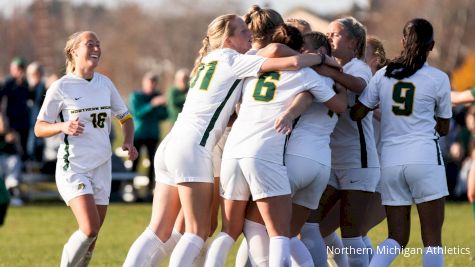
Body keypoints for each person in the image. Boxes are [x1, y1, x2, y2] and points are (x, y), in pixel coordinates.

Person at [123, 13, 332, 267]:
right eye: (243, 31)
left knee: (158, 230)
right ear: (227, 39)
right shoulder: (235, 60)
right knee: (197, 233)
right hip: (193, 148)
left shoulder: (209, 59)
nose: (249, 35)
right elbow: (286, 58)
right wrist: (322, 58)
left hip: (170, 144)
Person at [208, 24, 345, 267]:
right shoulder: (306, 74)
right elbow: (339, 105)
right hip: (267, 153)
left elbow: (270, 52)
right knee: (282, 234)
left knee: (230, 231)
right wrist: (330, 67)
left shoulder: (253, 68)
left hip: (233, 151)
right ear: (300, 51)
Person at [351, 18, 451, 267]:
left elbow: (357, 113)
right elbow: (445, 127)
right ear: (432, 46)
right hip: (425, 158)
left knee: (396, 237)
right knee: (432, 240)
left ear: (402, 42)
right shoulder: (438, 78)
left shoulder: (383, 75)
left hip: (391, 161)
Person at [34, 31, 138, 267]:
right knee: (89, 228)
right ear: (74, 51)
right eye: (90, 44)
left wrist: (128, 141)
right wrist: (63, 126)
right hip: (75, 167)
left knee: (92, 239)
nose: (96, 49)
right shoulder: (61, 87)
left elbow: (126, 117)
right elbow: (39, 128)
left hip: (102, 166)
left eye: (98, 44)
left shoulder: (105, 83)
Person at [308, 16, 379, 267]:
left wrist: (323, 68)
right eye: (327, 34)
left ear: (353, 42)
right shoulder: (329, 65)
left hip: (358, 160)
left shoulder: (357, 67)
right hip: (330, 160)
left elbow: (359, 86)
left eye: (335, 34)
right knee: (310, 225)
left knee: (351, 233)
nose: (329, 38)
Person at [129, 72, 168, 194]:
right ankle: (132, 187)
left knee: (153, 162)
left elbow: (164, 115)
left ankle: (150, 188)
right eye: (150, 82)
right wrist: (152, 105)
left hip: (153, 134)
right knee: (135, 161)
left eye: (154, 82)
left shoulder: (158, 96)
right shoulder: (136, 96)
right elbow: (137, 113)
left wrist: (163, 106)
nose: (152, 85)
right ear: (144, 82)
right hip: (138, 134)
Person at [0, 57, 30, 160]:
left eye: (21, 68)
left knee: (23, 146)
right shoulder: (7, 83)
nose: (19, 71)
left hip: (23, 121)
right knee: (11, 146)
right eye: (17, 68)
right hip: (10, 121)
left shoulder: (25, 83)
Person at [26, 61, 47, 162]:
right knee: (30, 144)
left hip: (40, 118)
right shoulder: (27, 86)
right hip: (29, 120)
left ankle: (39, 163)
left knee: (39, 143)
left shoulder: (44, 86)